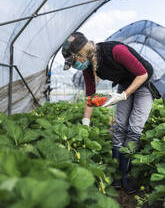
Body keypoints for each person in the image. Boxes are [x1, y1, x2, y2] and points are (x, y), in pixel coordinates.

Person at [61, 31, 155, 194]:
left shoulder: (115, 51)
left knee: (134, 129)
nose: (75, 65)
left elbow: (142, 74)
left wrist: (124, 95)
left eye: (74, 60)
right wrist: (85, 122)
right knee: (120, 128)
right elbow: (90, 97)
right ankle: (117, 173)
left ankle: (127, 174)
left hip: (144, 83)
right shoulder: (88, 67)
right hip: (125, 84)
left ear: (82, 53)